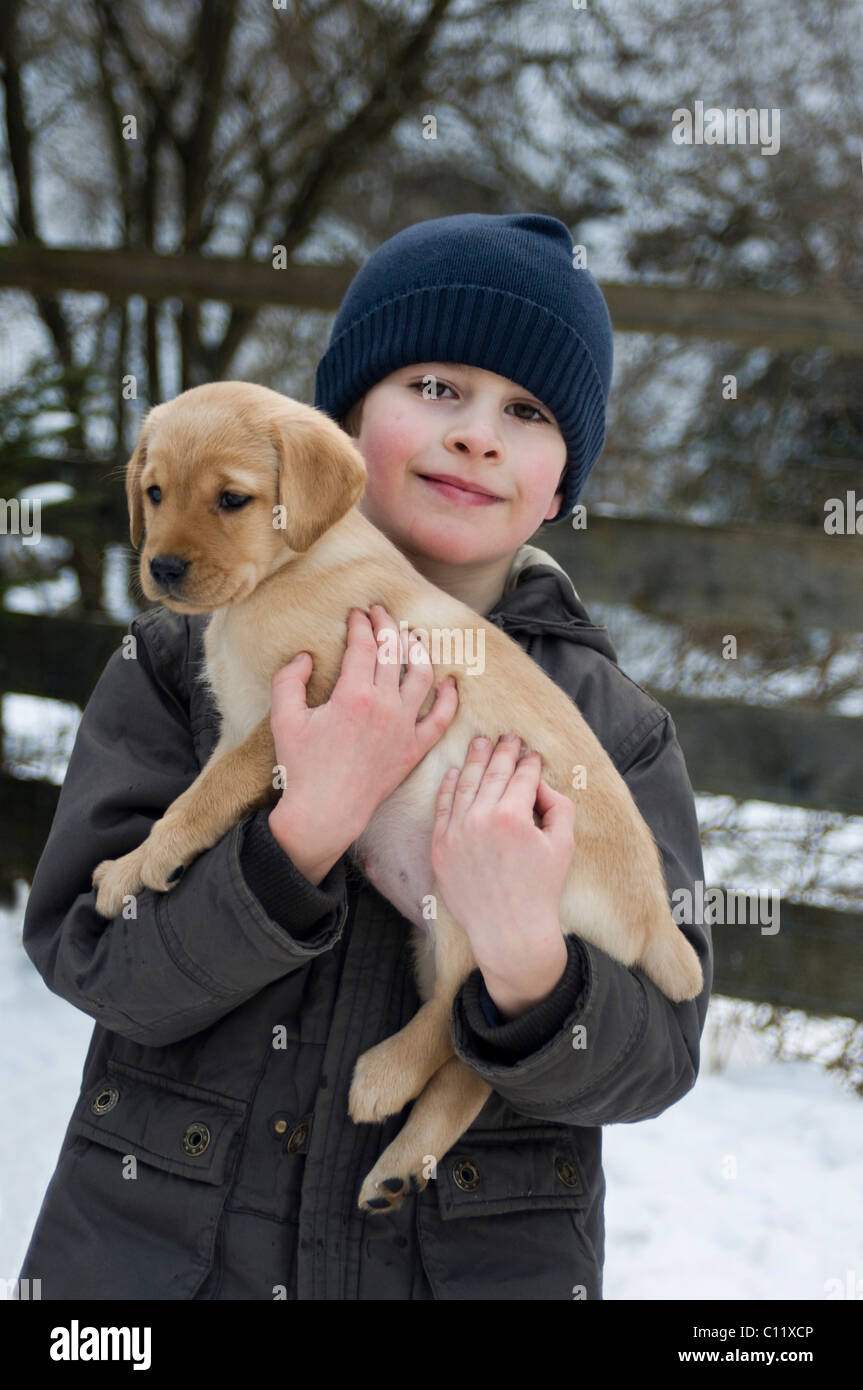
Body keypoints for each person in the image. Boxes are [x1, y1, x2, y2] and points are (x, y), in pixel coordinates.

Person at [16, 213, 712, 1300]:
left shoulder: (615, 729)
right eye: (434, 387)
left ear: (562, 478)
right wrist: (297, 832)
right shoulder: (171, 665)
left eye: (524, 411)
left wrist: (529, 958)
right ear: (331, 431)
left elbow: (656, 1057)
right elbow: (100, 962)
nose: (476, 434)